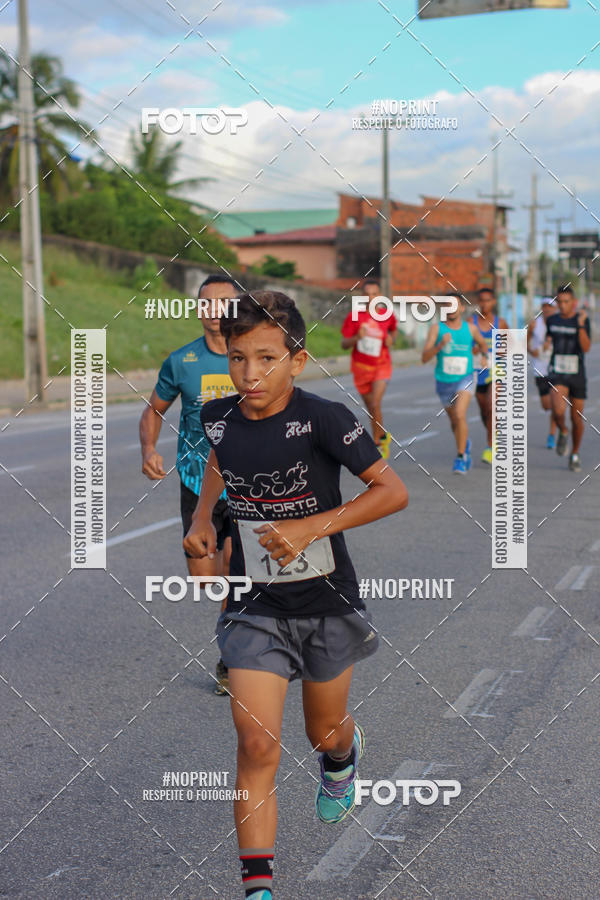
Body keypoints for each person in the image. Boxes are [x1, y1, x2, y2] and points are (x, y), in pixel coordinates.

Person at [183, 290, 408, 900]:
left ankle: (342, 756)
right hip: (253, 606)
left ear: (298, 360)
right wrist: (204, 520)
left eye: (266, 359)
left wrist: (314, 525)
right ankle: (259, 890)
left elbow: (392, 492)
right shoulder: (218, 417)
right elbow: (218, 467)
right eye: (237, 359)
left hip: (327, 602)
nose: (250, 374)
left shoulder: (327, 418)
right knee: (257, 743)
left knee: (322, 730)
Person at [139, 274, 238, 695]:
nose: (214, 310)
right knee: (206, 578)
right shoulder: (182, 361)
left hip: (247, 484)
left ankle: (233, 659)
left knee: (238, 570)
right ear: (198, 309)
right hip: (197, 482)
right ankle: (242, 622)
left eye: (223, 303)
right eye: (207, 302)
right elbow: (153, 410)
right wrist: (148, 449)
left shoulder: (254, 355)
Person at [421, 295, 489, 474]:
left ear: (461, 308)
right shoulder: (437, 329)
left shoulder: (471, 329)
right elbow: (424, 357)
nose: (450, 308)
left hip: (465, 378)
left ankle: (460, 458)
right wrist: (439, 346)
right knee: (454, 421)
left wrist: (484, 356)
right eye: (446, 305)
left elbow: (483, 344)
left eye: (454, 305)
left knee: (459, 415)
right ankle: (464, 444)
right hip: (443, 381)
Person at [341, 278, 397, 458]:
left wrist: (391, 339)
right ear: (362, 296)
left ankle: (377, 443)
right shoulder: (354, 316)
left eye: (374, 294)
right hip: (361, 368)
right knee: (371, 408)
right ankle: (381, 437)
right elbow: (344, 344)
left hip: (382, 365)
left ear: (379, 296)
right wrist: (357, 337)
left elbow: (393, 330)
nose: (371, 298)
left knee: (375, 402)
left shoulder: (386, 315)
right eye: (367, 294)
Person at [544, 285, 591, 472]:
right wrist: (546, 344)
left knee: (577, 418)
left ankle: (575, 453)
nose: (562, 305)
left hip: (577, 373)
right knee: (557, 410)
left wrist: (580, 325)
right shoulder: (552, 320)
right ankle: (563, 431)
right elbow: (549, 338)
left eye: (566, 302)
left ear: (574, 302)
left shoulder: (581, 320)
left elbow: (586, 348)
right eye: (559, 302)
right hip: (558, 372)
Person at [471, 287, 508, 464]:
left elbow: (510, 347)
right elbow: (466, 345)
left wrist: (500, 352)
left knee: (492, 406)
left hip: (496, 370)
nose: (484, 304)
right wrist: (475, 349)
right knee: (484, 409)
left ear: (493, 302)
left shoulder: (500, 323)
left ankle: (490, 447)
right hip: (477, 370)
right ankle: (495, 434)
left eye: (487, 300)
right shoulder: (471, 322)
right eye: (481, 300)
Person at [527, 298, 557, 449]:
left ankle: (552, 434)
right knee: (547, 406)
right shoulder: (535, 324)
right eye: (544, 307)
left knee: (554, 402)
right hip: (540, 368)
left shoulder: (559, 323)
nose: (547, 309)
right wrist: (532, 351)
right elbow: (525, 343)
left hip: (557, 368)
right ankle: (556, 414)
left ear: (555, 308)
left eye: (550, 307)